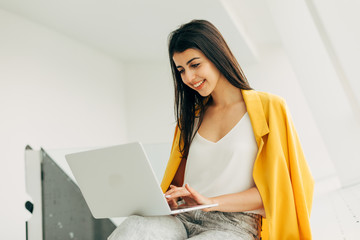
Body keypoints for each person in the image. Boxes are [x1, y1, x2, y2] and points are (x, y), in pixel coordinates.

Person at [108, 19, 314, 240]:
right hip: (182, 217)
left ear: (217, 56)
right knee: (135, 229)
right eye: (181, 70)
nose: (188, 77)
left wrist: (211, 201)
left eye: (195, 65)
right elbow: (178, 185)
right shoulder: (190, 119)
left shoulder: (270, 108)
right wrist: (164, 197)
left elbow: (280, 190)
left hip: (234, 224)